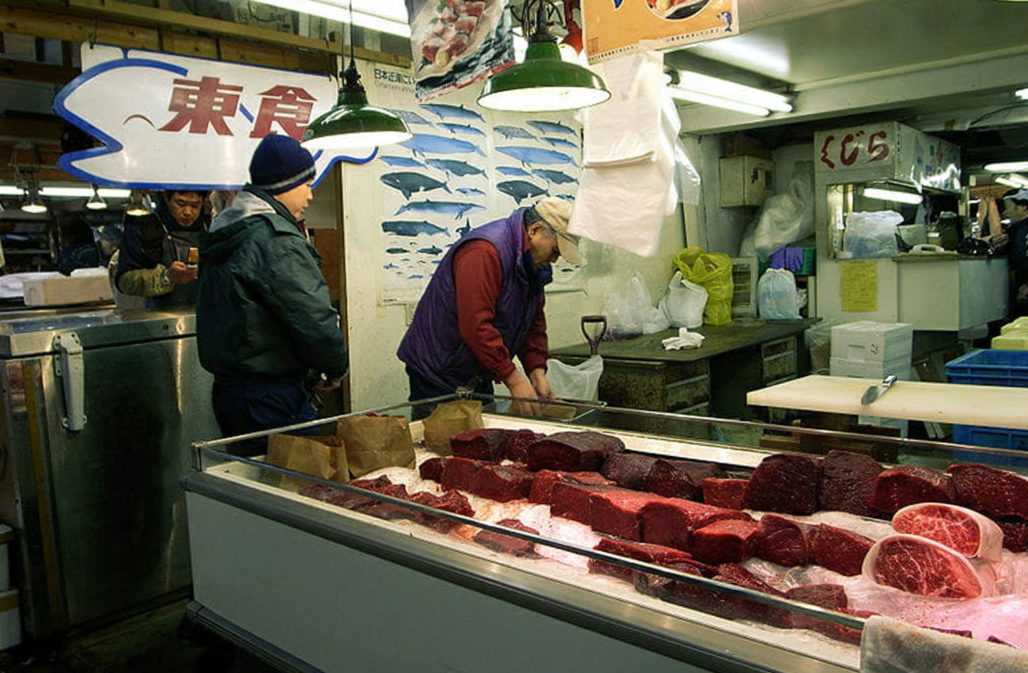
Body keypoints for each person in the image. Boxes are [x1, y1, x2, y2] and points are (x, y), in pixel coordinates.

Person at [196, 134, 347, 453]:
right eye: (306, 183)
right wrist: (335, 367)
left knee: (255, 490)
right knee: (298, 492)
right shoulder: (275, 241)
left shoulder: (228, 229)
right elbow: (313, 318)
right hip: (273, 395)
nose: (310, 193)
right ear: (285, 184)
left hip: (233, 393)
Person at [398, 197, 581, 419]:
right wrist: (513, 379)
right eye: (555, 251)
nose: (555, 259)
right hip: (438, 370)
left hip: (477, 369)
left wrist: (536, 372)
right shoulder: (484, 252)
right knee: (440, 445)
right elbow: (476, 324)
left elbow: (532, 321)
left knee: (481, 442)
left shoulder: (532, 264)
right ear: (535, 229)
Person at [114, 190, 209, 308]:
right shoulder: (144, 226)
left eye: (195, 205)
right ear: (166, 198)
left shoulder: (211, 226)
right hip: (158, 317)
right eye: (180, 204)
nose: (188, 212)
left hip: (203, 314)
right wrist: (166, 277)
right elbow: (124, 282)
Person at [1004, 189, 1028, 317]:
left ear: (1023, 207)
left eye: (1009, 207)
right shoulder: (1016, 229)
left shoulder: (1024, 229)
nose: (1006, 212)